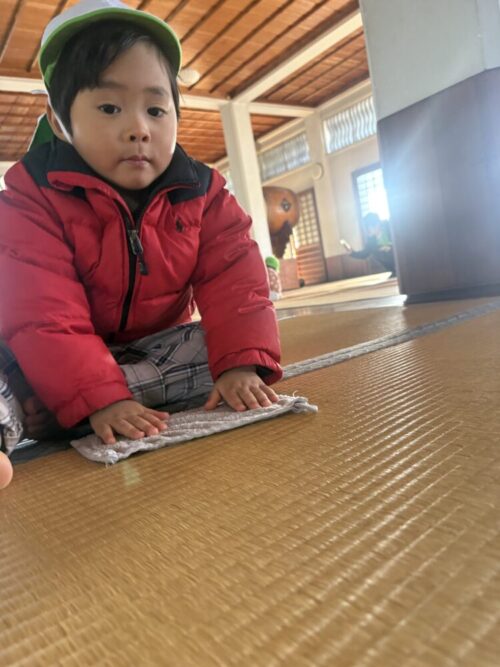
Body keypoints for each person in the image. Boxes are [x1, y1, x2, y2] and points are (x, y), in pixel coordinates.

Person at [0, 0, 282, 466]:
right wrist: (99, 396)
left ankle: (59, 410)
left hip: (151, 350)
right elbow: (43, 316)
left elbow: (236, 283)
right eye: (109, 107)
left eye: (156, 109)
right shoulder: (31, 198)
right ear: (59, 122)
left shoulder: (203, 192)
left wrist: (239, 366)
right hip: (48, 354)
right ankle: (37, 413)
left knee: (223, 346)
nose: (138, 129)